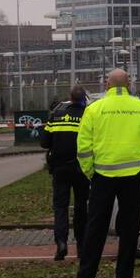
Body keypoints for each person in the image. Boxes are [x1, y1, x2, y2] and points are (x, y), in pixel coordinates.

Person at [69, 69, 140, 278]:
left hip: (103, 176)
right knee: (130, 229)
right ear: (129, 84)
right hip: (133, 176)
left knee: (95, 228)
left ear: (107, 84)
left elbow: (83, 147)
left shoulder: (94, 109)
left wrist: (92, 173)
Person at [40, 86, 90, 261]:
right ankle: (82, 246)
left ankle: (61, 242)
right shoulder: (88, 114)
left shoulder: (57, 114)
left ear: (70, 97)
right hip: (81, 168)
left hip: (60, 168)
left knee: (60, 207)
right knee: (81, 206)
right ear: (84, 98)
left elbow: (44, 142)